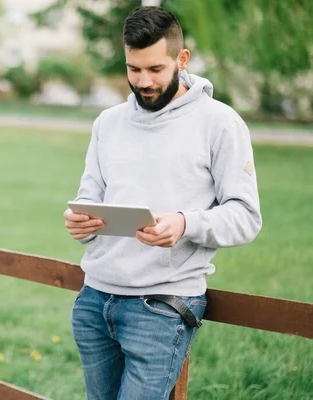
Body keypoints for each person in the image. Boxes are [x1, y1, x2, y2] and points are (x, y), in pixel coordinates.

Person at [64, 6, 262, 400]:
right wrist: (80, 222)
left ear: (181, 59)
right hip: (94, 300)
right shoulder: (108, 122)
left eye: (155, 69)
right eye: (133, 69)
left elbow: (246, 217)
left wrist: (185, 223)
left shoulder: (220, 123)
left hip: (161, 306)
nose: (143, 81)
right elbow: (90, 195)